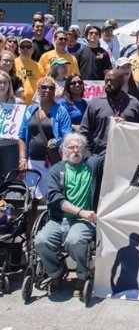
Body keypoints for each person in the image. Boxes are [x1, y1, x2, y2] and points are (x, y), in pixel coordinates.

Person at [34, 133, 104, 297]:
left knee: (75, 240)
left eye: (79, 146)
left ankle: (82, 274)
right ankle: (56, 272)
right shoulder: (56, 170)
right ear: (63, 151)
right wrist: (80, 211)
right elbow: (55, 198)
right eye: (71, 147)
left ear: (84, 150)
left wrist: (119, 128)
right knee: (40, 241)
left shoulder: (92, 164)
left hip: (83, 221)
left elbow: (112, 154)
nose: (75, 150)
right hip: (59, 219)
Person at [18, 76, 72, 228]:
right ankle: (28, 240)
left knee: (53, 198)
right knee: (31, 201)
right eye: (44, 87)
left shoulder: (60, 111)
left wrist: (58, 141)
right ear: (38, 89)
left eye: (51, 88)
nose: (47, 90)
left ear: (55, 91)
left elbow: (68, 135)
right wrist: (22, 159)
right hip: (32, 163)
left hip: (53, 162)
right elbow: (21, 136)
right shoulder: (30, 110)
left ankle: (50, 235)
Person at [80, 69, 139, 156]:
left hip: (127, 157)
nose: (108, 84)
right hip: (100, 156)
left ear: (122, 82)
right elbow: (84, 131)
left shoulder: (134, 104)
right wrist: (89, 158)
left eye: (112, 81)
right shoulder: (95, 103)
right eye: (106, 81)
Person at [111, 232, 139, 296]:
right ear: (133, 241)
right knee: (119, 300)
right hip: (129, 283)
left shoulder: (123, 251)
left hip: (127, 282)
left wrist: (111, 280)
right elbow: (115, 266)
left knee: (129, 301)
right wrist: (111, 280)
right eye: (137, 240)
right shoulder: (138, 254)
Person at [0, 72, 20, 180]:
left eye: (5, 83)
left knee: (10, 179)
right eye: (0, 83)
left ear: (9, 84)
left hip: (11, 147)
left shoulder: (18, 103)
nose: (2, 86)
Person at [14, 37, 43, 104]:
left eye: (28, 46)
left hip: (33, 105)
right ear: (18, 49)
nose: (25, 48)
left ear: (32, 50)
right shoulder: (12, 64)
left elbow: (42, 85)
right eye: (22, 46)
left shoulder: (38, 66)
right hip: (16, 103)